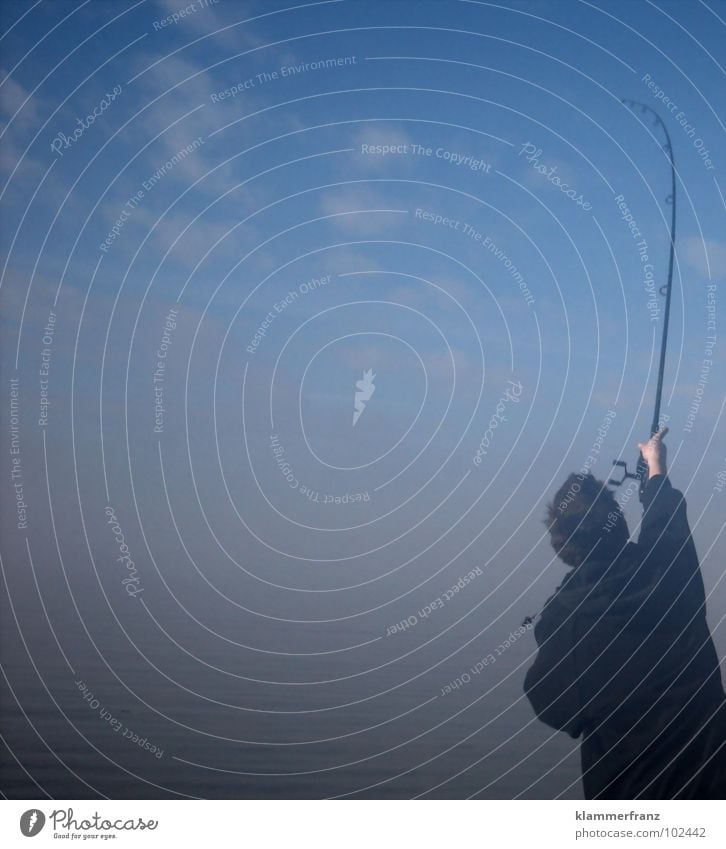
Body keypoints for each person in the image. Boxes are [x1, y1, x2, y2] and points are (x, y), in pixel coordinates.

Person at [524, 428, 726, 798]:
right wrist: (654, 467)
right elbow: (665, 522)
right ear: (619, 525)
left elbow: (553, 708)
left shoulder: (565, 623)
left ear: (561, 547)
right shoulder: (668, 572)